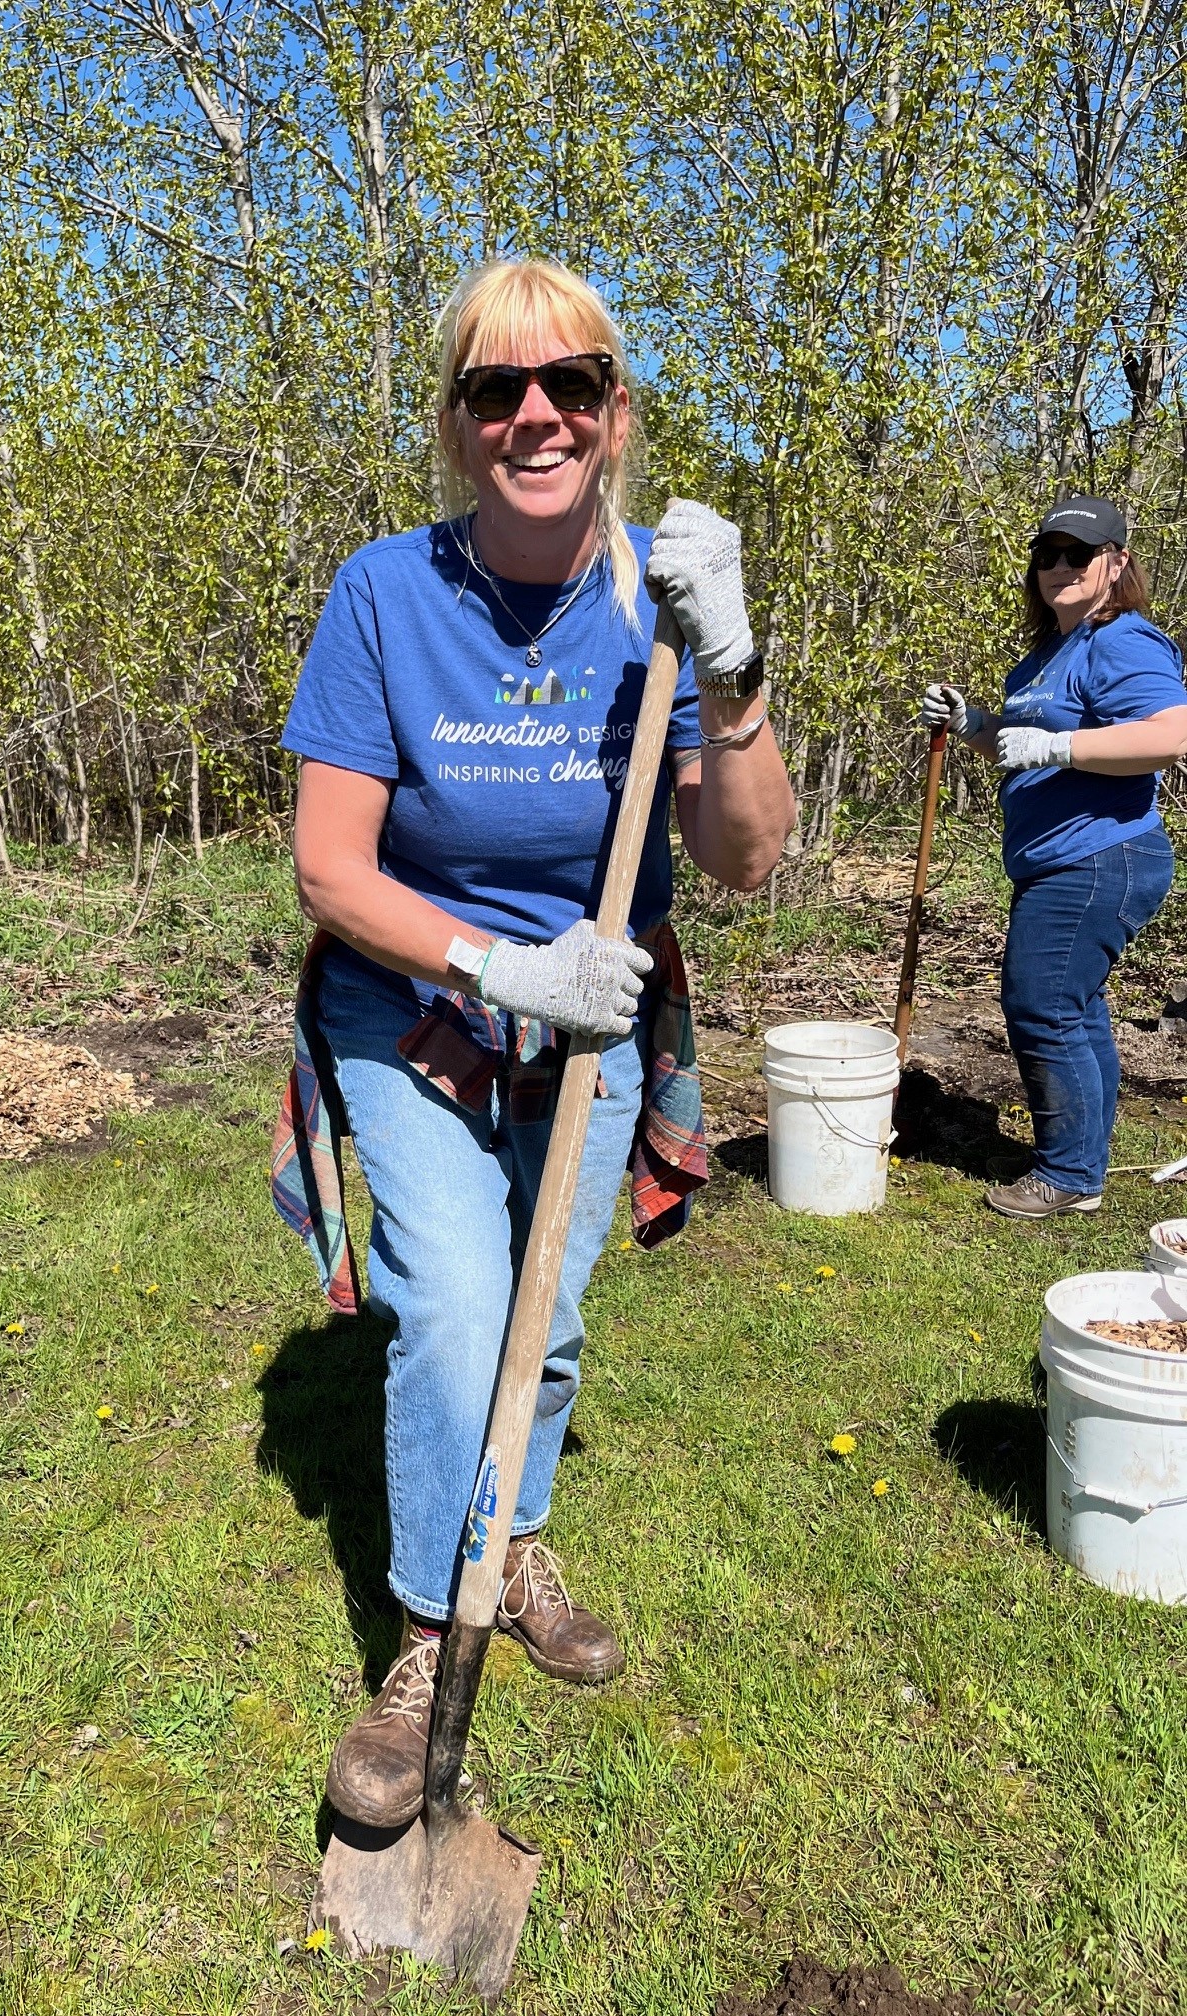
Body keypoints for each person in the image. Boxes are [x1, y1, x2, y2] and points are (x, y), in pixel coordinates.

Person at [271, 257, 795, 1829]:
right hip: (421, 1004)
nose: (537, 415)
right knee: (454, 1313)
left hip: (597, 1021)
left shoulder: (657, 602)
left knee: (545, 1321)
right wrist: (505, 962)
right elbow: (329, 865)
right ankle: (436, 1631)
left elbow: (748, 859)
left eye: (570, 382)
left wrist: (735, 668)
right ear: (457, 424)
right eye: (496, 391)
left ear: (616, 410)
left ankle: (513, 1531)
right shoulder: (385, 595)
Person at [922, 495, 1187, 1218]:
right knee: (1073, 1008)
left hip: (1101, 855)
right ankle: (1083, 1166)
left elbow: (1170, 734)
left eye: (1080, 553)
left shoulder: (1122, 640)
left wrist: (1061, 746)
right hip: (1058, 858)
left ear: (1118, 563)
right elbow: (1018, 747)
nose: (1061, 567)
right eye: (1049, 554)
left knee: (1040, 1005)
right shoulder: (1046, 657)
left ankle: (1067, 1174)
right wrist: (974, 723)